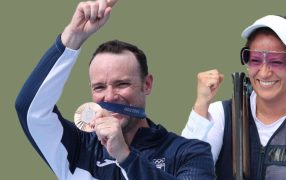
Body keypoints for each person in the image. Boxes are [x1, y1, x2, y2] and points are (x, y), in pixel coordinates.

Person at [15, 0, 215, 179]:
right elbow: (30, 109)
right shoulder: (77, 148)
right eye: (100, 87)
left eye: (122, 84)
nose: (110, 97)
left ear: (147, 85)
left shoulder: (189, 152)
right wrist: (73, 37)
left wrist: (125, 157)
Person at [182, 15, 286, 179]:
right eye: (255, 60)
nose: (265, 72)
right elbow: (184, 170)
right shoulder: (220, 115)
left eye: (276, 61)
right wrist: (201, 105)